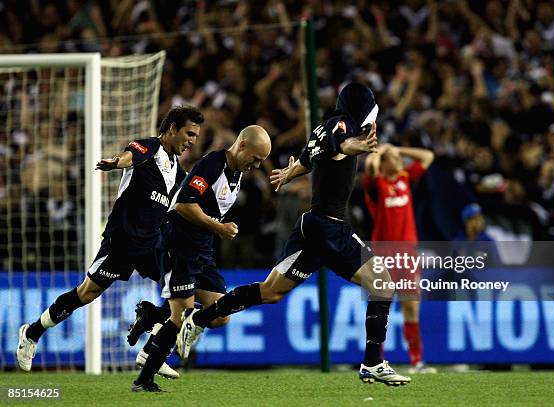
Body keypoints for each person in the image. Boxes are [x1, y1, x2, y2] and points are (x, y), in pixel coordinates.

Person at [175, 83, 410, 389]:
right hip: (329, 228)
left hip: (315, 227)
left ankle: (200, 320)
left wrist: (289, 174)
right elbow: (341, 146)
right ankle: (373, 362)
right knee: (382, 282)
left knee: (270, 292)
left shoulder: (323, 129)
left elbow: (311, 156)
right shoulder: (344, 128)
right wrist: (357, 147)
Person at [16, 105, 204, 378]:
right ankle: (32, 333)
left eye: (196, 137)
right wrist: (116, 162)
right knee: (86, 294)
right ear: (172, 129)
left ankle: (152, 350)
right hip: (122, 241)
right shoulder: (148, 147)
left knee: (183, 293)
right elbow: (130, 157)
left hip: (152, 245)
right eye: (189, 134)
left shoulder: (177, 171)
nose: (192, 142)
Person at [131, 125, 272, 392]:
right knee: (180, 315)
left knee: (220, 314)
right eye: (255, 158)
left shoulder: (236, 172)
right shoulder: (213, 163)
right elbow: (184, 204)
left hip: (202, 250)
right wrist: (218, 227)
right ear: (241, 145)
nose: (256, 165)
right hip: (180, 245)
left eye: (261, 161)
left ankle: (153, 315)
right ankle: (144, 379)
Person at [364, 143, 437, 373]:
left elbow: (428, 155)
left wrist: (397, 149)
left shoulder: (405, 178)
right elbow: (370, 168)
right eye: (394, 159)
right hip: (384, 256)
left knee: (410, 308)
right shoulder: (377, 185)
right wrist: (377, 152)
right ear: (383, 163)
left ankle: (417, 361)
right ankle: (376, 362)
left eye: (399, 159)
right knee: (381, 309)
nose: (400, 161)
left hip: (407, 256)